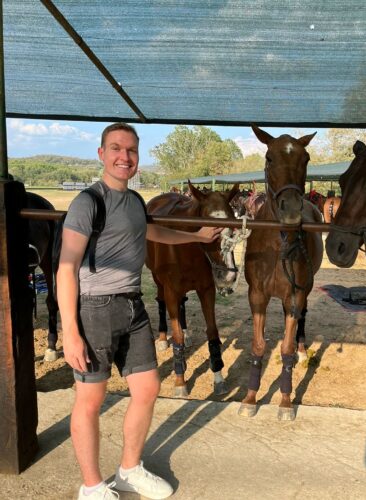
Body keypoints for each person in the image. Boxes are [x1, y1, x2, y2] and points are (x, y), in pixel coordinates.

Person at [57, 123, 222, 500]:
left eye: (131, 150)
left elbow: (152, 233)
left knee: (147, 388)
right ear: (101, 154)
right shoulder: (88, 203)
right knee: (90, 400)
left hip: (133, 305)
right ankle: (92, 486)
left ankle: (130, 469)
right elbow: (66, 268)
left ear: (137, 158)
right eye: (116, 148)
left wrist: (196, 237)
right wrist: (70, 331)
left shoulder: (133, 202)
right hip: (94, 309)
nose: (124, 157)